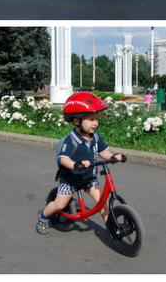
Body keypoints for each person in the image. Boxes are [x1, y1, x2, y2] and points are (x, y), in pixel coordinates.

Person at [36, 92, 125, 234]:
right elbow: (63, 159)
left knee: (103, 202)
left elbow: (104, 152)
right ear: (77, 121)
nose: (95, 123)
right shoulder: (70, 140)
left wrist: (113, 157)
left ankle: (113, 230)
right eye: (91, 119)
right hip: (70, 179)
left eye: (96, 119)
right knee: (59, 205)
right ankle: (43, 216)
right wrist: (75, 164)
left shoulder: (95, 136)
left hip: (89, 177)